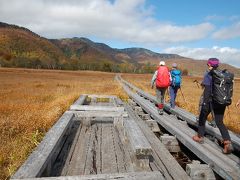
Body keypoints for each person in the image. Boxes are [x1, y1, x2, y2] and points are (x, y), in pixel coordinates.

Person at [192, 58, 233, 154]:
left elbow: (207, 91)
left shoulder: (209, 74)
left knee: (202, 118)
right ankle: (227, 143)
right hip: (221, 102)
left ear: (210, 65)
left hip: (210, 101)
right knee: (219, 122)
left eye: (208, 64)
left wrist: (205, 103)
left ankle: (200, 137)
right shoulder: (222, 75)